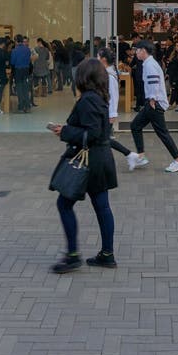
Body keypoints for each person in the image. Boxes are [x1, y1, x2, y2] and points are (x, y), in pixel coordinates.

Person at [50, 58, 118, 273]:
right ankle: (107, 254)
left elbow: (93, 133)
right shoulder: (100, 97)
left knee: (64, 204)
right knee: (102, 208)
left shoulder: (88, 99)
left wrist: (66, 131)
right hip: (102, 159)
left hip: (89, 161)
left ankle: (72, 255)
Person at [130, 41, 178, 172]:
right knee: (135, 126)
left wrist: (152, 99)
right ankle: (141, 156)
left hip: (155, 104)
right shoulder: (149, 63)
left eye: (137, 50)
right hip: (153, 103)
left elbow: (154, 82)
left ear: (143, 50)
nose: (135, 53)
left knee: (162, 133)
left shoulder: (149, 65)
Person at [97, 47, 141, 171]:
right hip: (104, 113)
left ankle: (129, 155)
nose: (97, 59)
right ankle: (128, 155)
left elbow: (113, 97)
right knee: (103, 139)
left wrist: (112, 114)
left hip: (106, 114)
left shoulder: (109, 76)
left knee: (103, 139)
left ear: (104, 59)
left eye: (98, 57)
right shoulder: (106, 73)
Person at [11, 34, 32, 113]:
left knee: (19, 89)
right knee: (26, 88)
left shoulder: (15, 50)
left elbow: (12, 62)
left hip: (18, 70)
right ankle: (27, 106)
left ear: (16, 41)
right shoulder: (27, 49)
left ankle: (21, 106)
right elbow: (29, 60)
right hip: (26, 70)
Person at [166, 41, 178, 109]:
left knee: (174, 89)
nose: (176, 47)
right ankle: (177, 103)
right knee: (175, 89)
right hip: (172, 74)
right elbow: (170, 65)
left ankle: (170, 104)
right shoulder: (173, 54)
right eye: (176, 45)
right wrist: (167, 73)